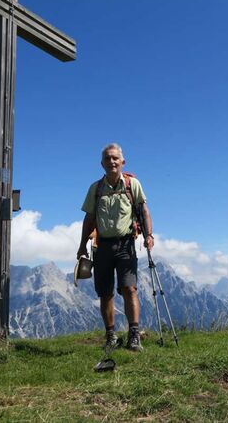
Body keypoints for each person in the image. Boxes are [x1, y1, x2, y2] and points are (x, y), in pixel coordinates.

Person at [77, 143, 155, 351]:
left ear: (122, 162)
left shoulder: (132, 184)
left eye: (115, 158)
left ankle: (134, 335)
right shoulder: (96, 189)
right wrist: (81, 246)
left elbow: (144, 211)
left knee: (130, 288)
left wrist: (149, 235)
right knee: (105, 293)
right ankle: (111, 336)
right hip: (101, 246)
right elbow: (89, 218)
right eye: (107, 159)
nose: (111, 162)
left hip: (126, 244)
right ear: (102, 163)